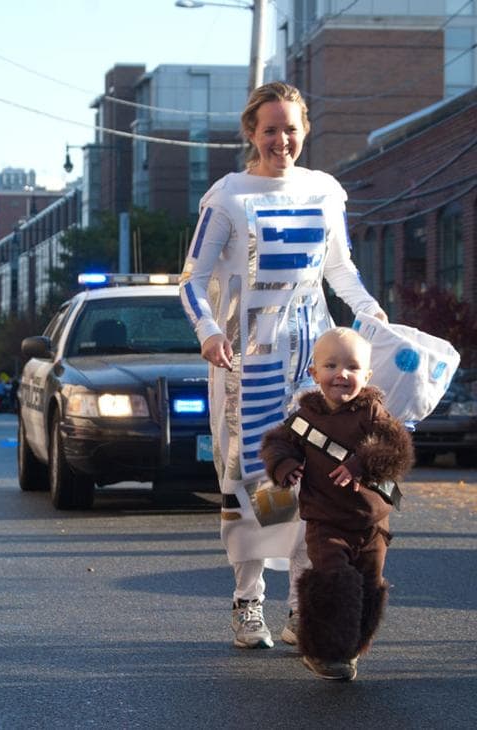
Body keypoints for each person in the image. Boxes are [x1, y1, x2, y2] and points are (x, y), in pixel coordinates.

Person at [178, 81, 387, 650]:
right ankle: (248, 603)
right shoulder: (229, 195)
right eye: (269, 129)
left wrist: (368, 313)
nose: (281, 139)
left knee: (311, 481)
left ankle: (302, 606)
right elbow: (192, 280)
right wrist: (210, 332)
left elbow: (341, 270)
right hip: (245, 362)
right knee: (254, 477)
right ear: (252, 132)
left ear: (304, 131)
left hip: (310, 357)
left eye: (290, 128)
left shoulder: (324, 191)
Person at [260, 328, 413, 680]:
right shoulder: (304, 419)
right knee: (332, 579)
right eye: (330, 365)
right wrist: (284, 466)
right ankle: (323, 652)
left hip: (372, 524)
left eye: (352, 367)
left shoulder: (373, 412)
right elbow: (275, 444)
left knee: (368, 585)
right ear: (314, 374)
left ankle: (351, 647)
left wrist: (363, 462)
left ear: (366, 376)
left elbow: (397, 450)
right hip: (325, 521)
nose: (341, 374)